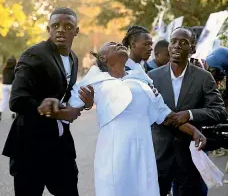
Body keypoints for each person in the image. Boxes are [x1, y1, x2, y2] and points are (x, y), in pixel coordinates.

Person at [37, 42, 206, 196]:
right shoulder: (94, 81)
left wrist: (193, 131)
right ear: (103, 57)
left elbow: (165, 115)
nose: (118, 43)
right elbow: (71, 111)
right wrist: (54, 109)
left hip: (143, 153)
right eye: (111, 44)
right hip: (114, 152)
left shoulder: (141, 79)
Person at [2, 8, 94, 196]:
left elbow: (67, 96)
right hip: (30, 146)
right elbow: (17, 100)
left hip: (60, 146)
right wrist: (48, 108)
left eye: (68, 26)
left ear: (76, 31)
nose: (61, 30)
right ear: (48, 28)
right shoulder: (34, 55)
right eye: (55, 26)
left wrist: (85, 103)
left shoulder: (73, 58)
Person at [148, 26, 228, 196]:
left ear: (192, 49)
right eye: (173, 41)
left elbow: (219, 111)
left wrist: (190, 114)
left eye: (183, 42)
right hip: (159, 155)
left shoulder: (203, 77)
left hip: (190, 156)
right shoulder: (153, 76)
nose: (177, 45)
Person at [0, 56, 17, 121]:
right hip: (11, 86)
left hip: (4, 85)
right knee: (13, 99)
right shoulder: (15, 69)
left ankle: (0, 112)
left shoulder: (4, 69)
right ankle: (13, 114)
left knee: (4, 99)